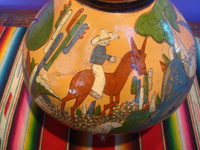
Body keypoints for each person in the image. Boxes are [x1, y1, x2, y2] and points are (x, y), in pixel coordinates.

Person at [90, 29, 116, 99]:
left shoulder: (102, 48)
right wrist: (109, 57)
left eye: (108, 41)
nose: (108, 43)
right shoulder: (99, 48)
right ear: (102, 42)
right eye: (107, 41)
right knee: (101, 78)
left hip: (99, 65)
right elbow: (100, 55)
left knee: (101, 78)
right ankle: (95, 91)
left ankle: (97, 91)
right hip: (96, 65)